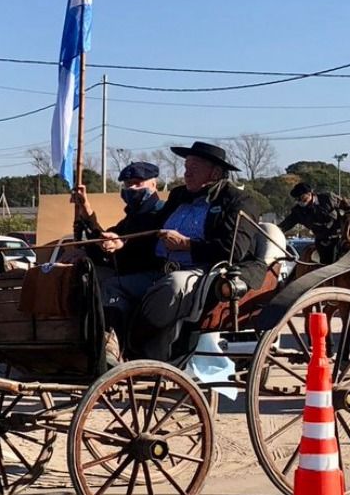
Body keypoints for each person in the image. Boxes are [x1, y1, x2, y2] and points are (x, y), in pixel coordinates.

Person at [99, 141, 263, 361]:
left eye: (193, 168)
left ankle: (140, 351)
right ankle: (111, 349)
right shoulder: (179, 196)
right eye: (186, 167)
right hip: (160, 270)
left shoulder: (238, 201)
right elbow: (153, 229)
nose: (186, 173)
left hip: (204, 274)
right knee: (111, 286)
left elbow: (233, 250)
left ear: (214, 172)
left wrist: (187, 245)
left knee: (173, 286)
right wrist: (122, 241)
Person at [72, 161, 165, 276]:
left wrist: (118, 246)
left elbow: (140, 254)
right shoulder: (131, 218)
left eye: (137, 183)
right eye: (128, 184)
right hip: (125, 275)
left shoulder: (163, 213)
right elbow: (105, 238)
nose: (131, 188)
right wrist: (85, 208)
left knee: (107, 287)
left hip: (150, 278)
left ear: (153, 185)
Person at [278, 183, 350, 264]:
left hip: (343, 238)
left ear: (309, 193)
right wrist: (273, 231)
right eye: (297, 199)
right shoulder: (298, 212)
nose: (299, 201)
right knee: (327, 263)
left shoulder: (328, 198)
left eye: (301, 197)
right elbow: (284, 226)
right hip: (323, 243)